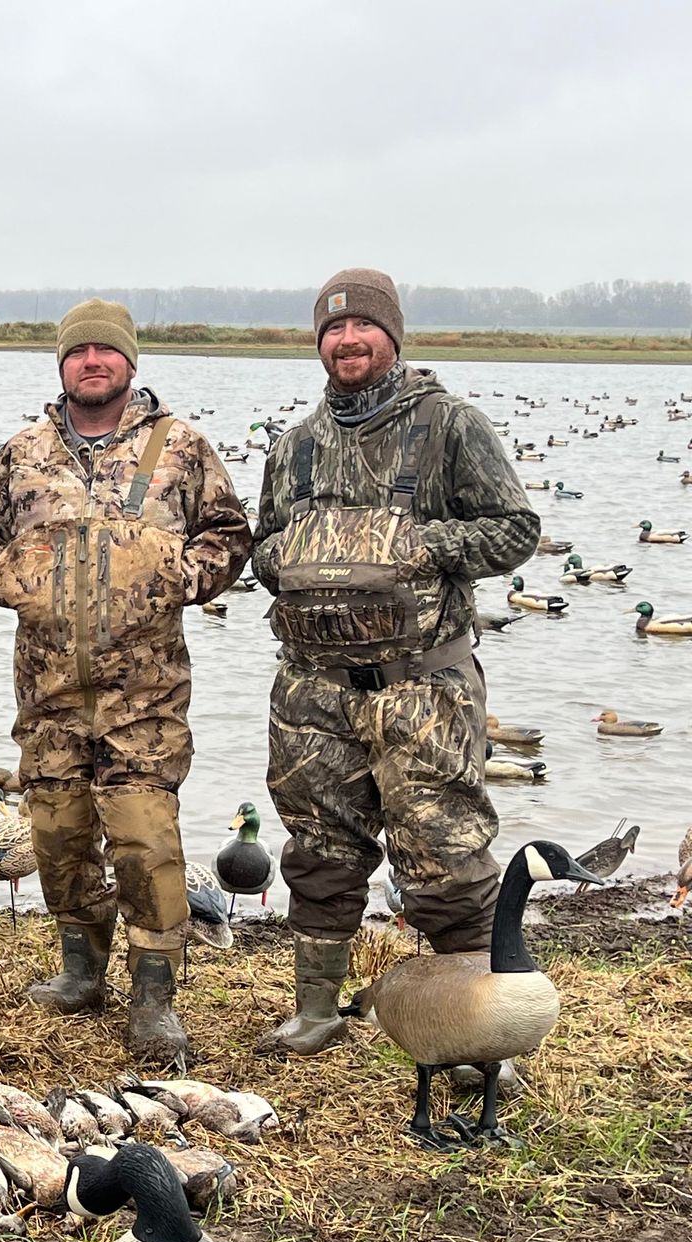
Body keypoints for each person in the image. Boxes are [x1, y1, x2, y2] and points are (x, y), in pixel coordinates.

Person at [253, 269, 536, 1054]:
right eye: (333, 331)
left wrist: (419, 545)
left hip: (423, 688)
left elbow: (515, 530)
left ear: (392, 336)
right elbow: (264, 549)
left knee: (446, 858)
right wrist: (296, 557)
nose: (348, 341)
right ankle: (316, 1013)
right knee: (317, 852)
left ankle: (480, 1027)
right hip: (313, 694)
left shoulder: (451, 426)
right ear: (320, 344)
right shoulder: (296, 447)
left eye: (363, 328)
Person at [0, 298, 251, 1060]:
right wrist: (15, 578)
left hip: (145, 696)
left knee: (145, 841)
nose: (93, 361)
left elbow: (229, 537)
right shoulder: (23, 453)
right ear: (62, 364)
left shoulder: (181, 447)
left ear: (129, 361)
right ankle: (81, 970)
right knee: (57, 838)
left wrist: (173, 576)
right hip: (50, 692)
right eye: (79, 351)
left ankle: (154, 996)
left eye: (106, 350)